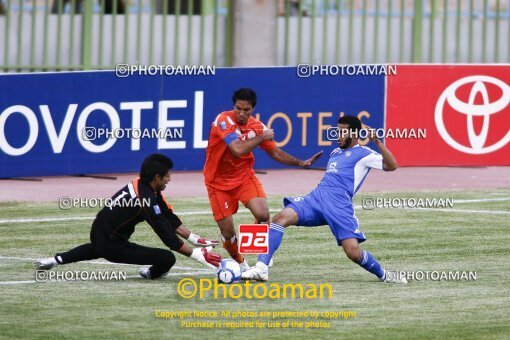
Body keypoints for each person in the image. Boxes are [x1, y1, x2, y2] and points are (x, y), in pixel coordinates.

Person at [242, 115, 408, 284]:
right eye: (337, 131)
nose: (338, 135)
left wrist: (378, 142)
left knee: (353, 252)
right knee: (280, 218)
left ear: (355, 133)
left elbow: (391, 165)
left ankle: (385, 275)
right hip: (316, 199)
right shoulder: (336, 152)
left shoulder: (364, 154)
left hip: (339, 206)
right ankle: (262, 267)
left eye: (343, 132)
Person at [36, 154, 221, 279]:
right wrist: (197, 255)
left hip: (99, 232)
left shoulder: (141, 183)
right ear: (157, 177)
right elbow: (167, 236)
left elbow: (167, 216)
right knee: (167, 259)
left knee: (97, 248)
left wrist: (195, 239)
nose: (169, 179)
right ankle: (148, 274)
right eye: (167, 176)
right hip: (112, 245)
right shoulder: (146, 200)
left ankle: (54, 260)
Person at [203, 88, 323, 271]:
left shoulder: (257, 126)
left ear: (253, 110)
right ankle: (241, 264)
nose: (241, 113)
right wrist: (262, 137)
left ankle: (262, 256)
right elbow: (237, 149)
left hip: (244, 177)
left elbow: (274, 152)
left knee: (263, 215)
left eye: (246, 110)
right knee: (228, 234)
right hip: (217, 183)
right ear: (233, 106)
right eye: (238, 108)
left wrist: (300, 163)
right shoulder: (223, 120)